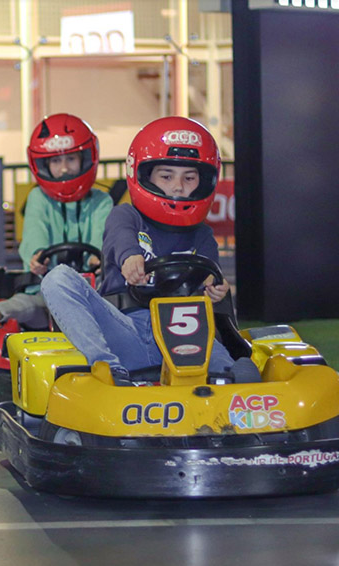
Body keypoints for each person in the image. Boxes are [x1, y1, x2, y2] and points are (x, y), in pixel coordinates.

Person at [41, 116, 254, 385]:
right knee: (58, 278)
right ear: (143, 175)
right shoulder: (126, 216)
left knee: (233, 369)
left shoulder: (202, 235)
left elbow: (211, 274)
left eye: (189, 177)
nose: (178, 186)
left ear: (204, 182)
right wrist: (130, 258)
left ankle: (233, 383)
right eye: (167, 176)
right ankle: (108, 369)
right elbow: (121, 238)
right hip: (125, 330)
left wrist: (216, 288)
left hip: (185, 336)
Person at [0, 113, 113, 336]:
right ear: (44, 165)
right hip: (45, 289)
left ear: (86, 159)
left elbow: (102, 234)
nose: (64, 168)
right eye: (56, 161)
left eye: (71, 159)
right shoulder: (38, 198)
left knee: (118, 303)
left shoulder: (101, 201)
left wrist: (98, 258)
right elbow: (34, 232)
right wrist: (38, 255)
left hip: (92, 291)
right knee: (26, 305)